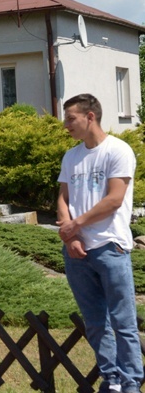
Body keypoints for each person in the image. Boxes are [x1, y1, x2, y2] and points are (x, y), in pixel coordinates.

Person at [56, 94, 143, 393]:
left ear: (90, 116)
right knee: (95, 323)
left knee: (123, 322)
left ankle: (131, 384)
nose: (65, 124)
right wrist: (71, 237)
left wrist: (75, 225)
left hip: (111, 248)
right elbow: (63, 198)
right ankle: (112, 381)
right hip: (77, 251)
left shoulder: (118, 151)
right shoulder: (71, 156)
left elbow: (114, 200)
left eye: (70, 118)